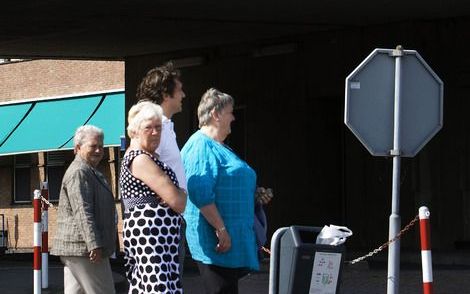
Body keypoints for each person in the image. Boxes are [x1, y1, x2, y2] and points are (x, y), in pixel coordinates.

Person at [181, 88, 272, 294]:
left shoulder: (218, 146)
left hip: (228, 245)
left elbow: (226, 182)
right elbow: (199, 191)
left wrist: (254, 194)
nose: (233, 117)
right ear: (216, 114)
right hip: (217, 244)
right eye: (230, 111)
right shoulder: (200, 146)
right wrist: (221, 230)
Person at [120, 100, 187, 294]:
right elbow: (179, 202)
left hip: (158, 235)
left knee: (152, 285)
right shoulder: (140, 158)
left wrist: (176, 194)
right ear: (134, 130)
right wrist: (178, 193)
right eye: (148, 127)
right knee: (157, 287)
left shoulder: (147, 157)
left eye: (159, 127)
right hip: (152, 234)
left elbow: (176, 198)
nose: (156, 132)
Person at [136, 62, 188, 277]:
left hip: (171, 218)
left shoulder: (166, 128)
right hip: (162, 222)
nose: (184, 95)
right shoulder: (158, 131)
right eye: (180, 90)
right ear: (166, 94)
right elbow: (141, 163)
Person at [51, 125, 117, 294]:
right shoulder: (79, 172)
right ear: (78, 148)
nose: (98, 150)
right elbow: (82, 211)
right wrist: (94, 244)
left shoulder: (89, 171)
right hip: (85, 250)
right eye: (93, 146)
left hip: (78, 250)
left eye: (101, 146)